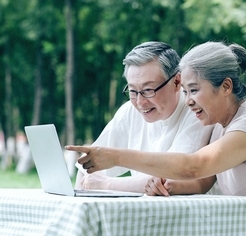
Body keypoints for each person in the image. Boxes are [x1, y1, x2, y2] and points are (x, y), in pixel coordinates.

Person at [67, 41, 246, 236]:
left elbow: (193, 166)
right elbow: (200, 181)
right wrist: (165, 186)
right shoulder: (220, 125)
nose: (188, 101)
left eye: (194, 90)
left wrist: (114, 157)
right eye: (185, 91)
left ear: (225, 86)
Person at [75, 41, 218, 195]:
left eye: (148, 90)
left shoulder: (197, 111)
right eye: (132, 91)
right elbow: (88, 166)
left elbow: (172, 176)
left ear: (177, 82)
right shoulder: (129, 111)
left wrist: (107, 184)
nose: (140, 102)